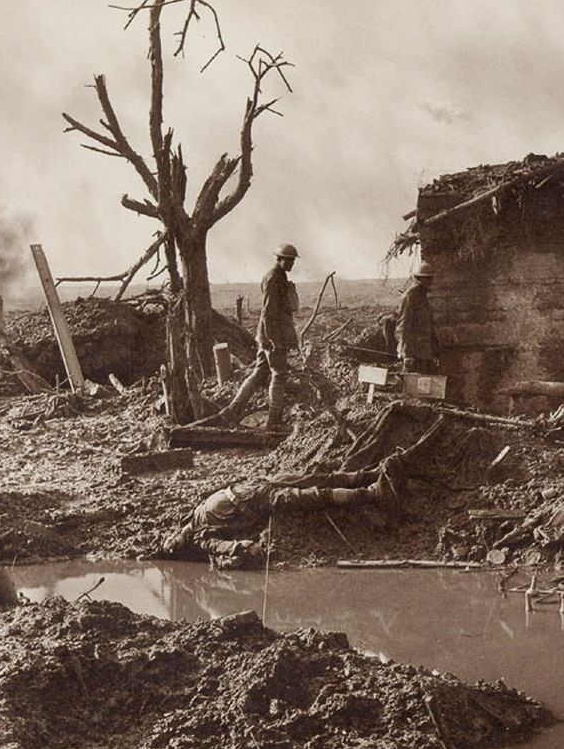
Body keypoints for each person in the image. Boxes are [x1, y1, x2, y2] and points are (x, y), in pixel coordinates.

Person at [160, 457, 407, 569]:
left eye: (169, 540)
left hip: (254, 484)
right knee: (313, 495)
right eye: (174, 546)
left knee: (314, 478)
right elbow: (224, 546)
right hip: (259, 499)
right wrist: (245, 546)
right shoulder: (201, 537)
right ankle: (372, 492)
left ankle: (368, 474)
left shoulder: (191, 516)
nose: (173, 541)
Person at [258, 243, 301, 431]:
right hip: (273, 335)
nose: (291, 263)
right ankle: (273, 420)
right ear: (279, 259)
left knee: (259, 371)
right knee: (279, 374)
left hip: (267, 334)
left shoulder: (278, 276)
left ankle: (232, 411)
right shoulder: (274, 278)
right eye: (288, 260)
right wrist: (275, 341)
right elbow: (269, 313)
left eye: (292, 260)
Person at [396, 261, 439, 374]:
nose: (430, 281)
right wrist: (406, 354)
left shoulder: (422, 297)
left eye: (431, 278)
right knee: (413, 389)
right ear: (419, 279)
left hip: (425, 355)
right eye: (427, 278)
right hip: (414, 357)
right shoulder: (409, 297)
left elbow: (429, 326)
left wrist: (434, 351)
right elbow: (403, 326)